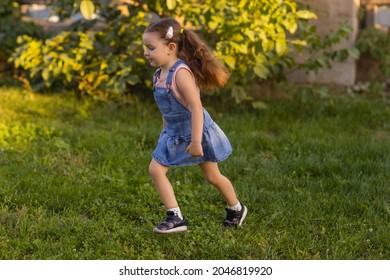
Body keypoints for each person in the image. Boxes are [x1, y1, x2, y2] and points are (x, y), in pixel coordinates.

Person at [143, 18, 247, 234]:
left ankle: (236, 208)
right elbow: (167, 109)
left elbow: (196, 108)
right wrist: (165, 131)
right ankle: (175, 216)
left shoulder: (180, 74)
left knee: (212, 176)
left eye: (151, 48)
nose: (146, 52)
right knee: (155, 169)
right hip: (173, 133)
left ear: (171, 48)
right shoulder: (158, 74)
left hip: (197, 132)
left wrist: (197, 140)